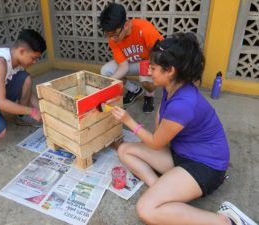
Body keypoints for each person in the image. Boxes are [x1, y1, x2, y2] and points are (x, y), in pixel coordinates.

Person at [110, 33, 256, 225]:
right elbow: (160, 131)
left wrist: (129, 121)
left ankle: (226, 221)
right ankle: (159, 188)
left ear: (170, 70)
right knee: (124, 150)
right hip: (182, 155)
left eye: (153, 68)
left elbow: (156, 143)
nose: (149, 71)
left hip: (205, 166)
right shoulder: (172, 87)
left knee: (146, 210)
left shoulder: (183, 103)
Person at [99, 3, 164, 113]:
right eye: (108, 35)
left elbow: (160, 55)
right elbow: (123, 66)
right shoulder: (112, 38)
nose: (112, 39)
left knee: (145, 80)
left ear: (126, 24)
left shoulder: (144, 28)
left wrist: (148, 69)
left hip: (150, 62)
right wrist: (109, 84)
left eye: (115, 34)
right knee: (106, 71)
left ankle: (149, 95)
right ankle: (134, 90)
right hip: (131, 64)